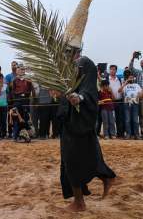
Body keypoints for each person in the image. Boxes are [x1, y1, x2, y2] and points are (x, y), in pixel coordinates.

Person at [57, 55, 116, 212]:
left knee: (73, 160)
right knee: (83, 156)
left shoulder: (85, 63)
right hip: (69, 120)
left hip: (81, 120)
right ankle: (105, 177)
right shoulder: (61, 65)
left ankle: (79, 202)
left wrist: (80, 97)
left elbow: (89, 88)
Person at [119, 70, 143, 139]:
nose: (131, 79)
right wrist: (125, 83)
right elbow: (119, 91)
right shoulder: (125, 85)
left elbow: (142, 93)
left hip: (135, 103)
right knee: (127, 120)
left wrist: (140, 94)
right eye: (129, 77)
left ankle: (137, 134)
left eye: (132, 78)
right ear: (127, 78)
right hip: (126, 104)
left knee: (135, 120)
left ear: (134, 78)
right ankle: (128, 134)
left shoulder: (137, 85)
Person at [108, 65, 125, 138]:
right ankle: (110, 134)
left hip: (119, 101)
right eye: (111, 69)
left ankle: (120, 134)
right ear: (109, 70)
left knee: (120, 118)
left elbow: (123, 89)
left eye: (114, 69)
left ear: (116, 70)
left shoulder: (120, 79)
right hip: (110, 101)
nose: (112, 71)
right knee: (110, 118)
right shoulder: (106, 79)